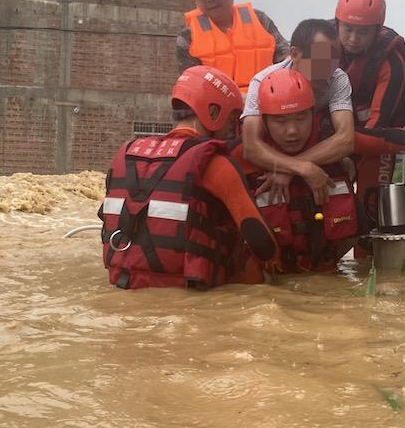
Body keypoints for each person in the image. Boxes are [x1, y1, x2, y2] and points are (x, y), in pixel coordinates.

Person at [233, 68, 405, 272]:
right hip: (273, 278)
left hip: (328, 272)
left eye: (301, 118)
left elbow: (381, 139)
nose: (292, 131)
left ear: (314, 114)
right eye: (280, 122)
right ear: (264, 121)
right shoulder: (244, 152)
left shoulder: (330, 140)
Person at [98, 66, 279, 290]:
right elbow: (263, 243)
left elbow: (106, 215)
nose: (233, 131)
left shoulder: (128, 154)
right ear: (213, 113)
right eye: (232, 120)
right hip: (188, 293)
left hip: (124, 284)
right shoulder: (215, 164)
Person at [241, 18, 355, 205]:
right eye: (320, 59)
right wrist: (303, 168)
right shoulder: (262, 82)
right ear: (295, 54)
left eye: (334, 58)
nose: (328, 68)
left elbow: (346, 139)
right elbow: (251, 147)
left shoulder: (338, 78)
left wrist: (290, 169)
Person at [334, 0, 405, 235]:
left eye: (363, 32)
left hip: (377, 139)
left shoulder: (392, 62)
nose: (353, 39)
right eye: (348, 29)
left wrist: (349, 157)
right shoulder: (322, 46)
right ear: (337, 24)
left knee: (370, 206)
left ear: (377, 31)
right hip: (336, 137)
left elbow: (377, 125)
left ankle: (369, 266)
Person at [176, 0, 290, 94]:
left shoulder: (259, 19)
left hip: (265, 104)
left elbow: (287, 61)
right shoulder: (187, 37)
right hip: (218, 110)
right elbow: (191, 86)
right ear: (194, 0)